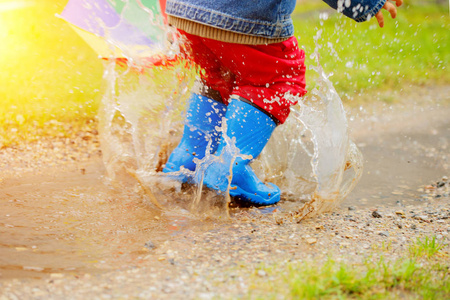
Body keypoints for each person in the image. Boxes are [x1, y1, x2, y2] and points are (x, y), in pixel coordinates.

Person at [162, 0, 402, 206]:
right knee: (279, 75)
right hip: (242, 16)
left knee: (218, 74)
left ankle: (187, 158)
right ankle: (229, 169)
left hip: (185, 12)